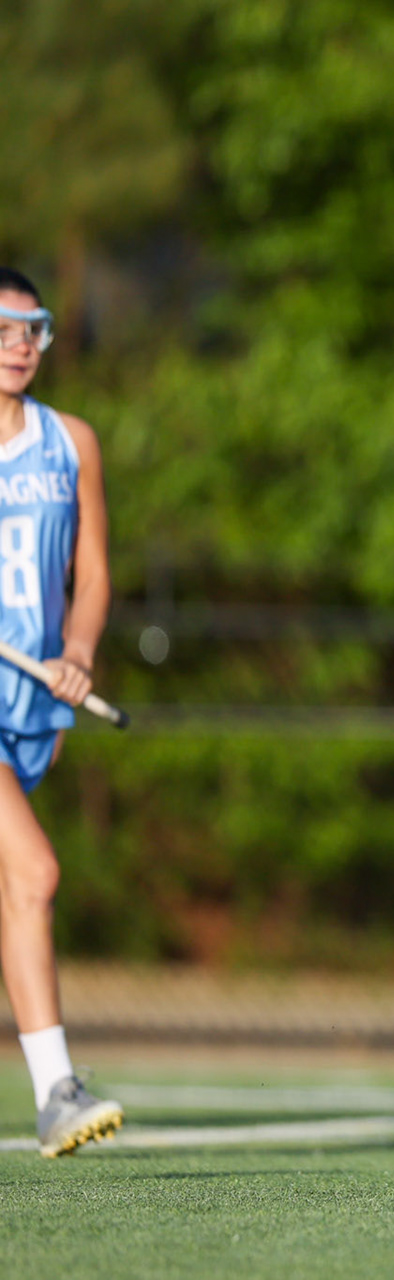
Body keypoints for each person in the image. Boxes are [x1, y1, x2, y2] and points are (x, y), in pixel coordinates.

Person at [0, 267, 122, 1157]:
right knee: (34, 874)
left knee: (15, 890)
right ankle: (57, 1091)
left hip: (30, 702)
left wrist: (77, 653)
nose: (19, 344)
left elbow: (93, 572)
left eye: (33, 327)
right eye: (4, 328)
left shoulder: (69, 441)